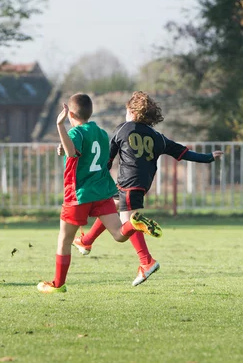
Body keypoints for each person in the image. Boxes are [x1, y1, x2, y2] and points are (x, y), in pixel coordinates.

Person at [71, 91, 223, 286]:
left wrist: (95, 177)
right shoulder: (157, 137)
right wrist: (208, 157)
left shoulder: (123, 129)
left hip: (127, 182)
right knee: (110, 206)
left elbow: (107, 159)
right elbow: (183, 152)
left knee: (125, 228)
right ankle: (86, 241)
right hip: (142, 184)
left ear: (133, 113)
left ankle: (146, 262)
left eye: (127, 112)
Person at [37, 93, 163, 294]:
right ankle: (134, 223)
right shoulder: (102, 133)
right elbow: (86, 154)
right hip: (103, 191)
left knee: (64, 240)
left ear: (69, 113)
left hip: (79, 194)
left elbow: (72, 153)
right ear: (90, 112)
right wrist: (65, 147)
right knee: (119, 234)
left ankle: (58, 285)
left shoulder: (74, 133)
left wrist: (60, 126)